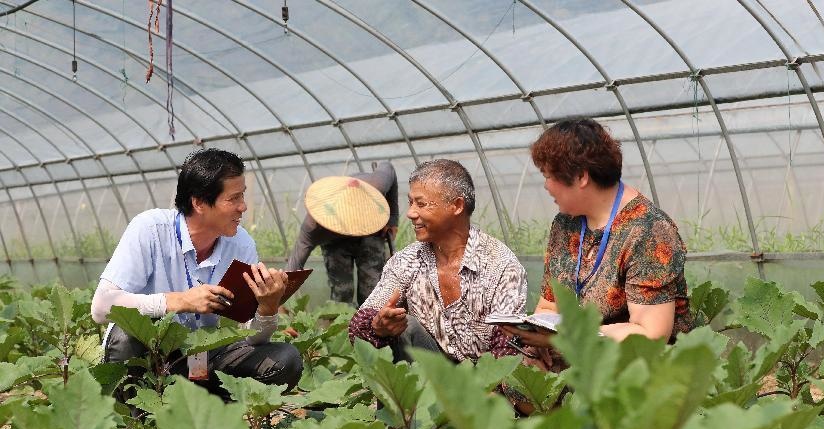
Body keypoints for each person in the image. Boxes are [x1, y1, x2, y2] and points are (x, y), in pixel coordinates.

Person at [91, 148, 303, 405]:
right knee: (126, 334)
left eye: (243, 195)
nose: (243, 207)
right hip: (151, 359)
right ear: (199, 203)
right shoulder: (151, 229)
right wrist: (179, 301)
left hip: (199, 362)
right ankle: (138, 413)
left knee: (285, 360)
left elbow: (249, 338)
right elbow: (101, 308)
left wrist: (267, 309)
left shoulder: (241, 243)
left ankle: (209, 408)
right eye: (233, 198)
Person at [503, 117, 693, 364]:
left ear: (581, 177)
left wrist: (567, 338)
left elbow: (650, 335)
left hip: (632, 370)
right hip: (574, 361)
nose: (546, 186)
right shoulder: (565, 224)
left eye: (549, 176)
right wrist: (537, 342)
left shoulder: (648, 231)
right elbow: (549, 307)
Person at [348, 159, 526, 363]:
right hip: (429, 372)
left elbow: (508, 346)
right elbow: (357, 326)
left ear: (457, 206)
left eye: (421, 204)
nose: (410, 213)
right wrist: (377, 327)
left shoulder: (500, 264)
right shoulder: (406, 261)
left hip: (483, 376)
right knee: (407, 327)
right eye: (410, 202)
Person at [286, 162, 399, 307]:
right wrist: (280, 301)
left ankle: (370, 320)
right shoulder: (314, 228)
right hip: (335, 242)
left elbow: (388, 167)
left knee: (372, 293)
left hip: (370, 227)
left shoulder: (377, 184)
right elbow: (294, 266)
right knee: (341, 295)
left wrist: (393, 219)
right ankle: (344, 320)